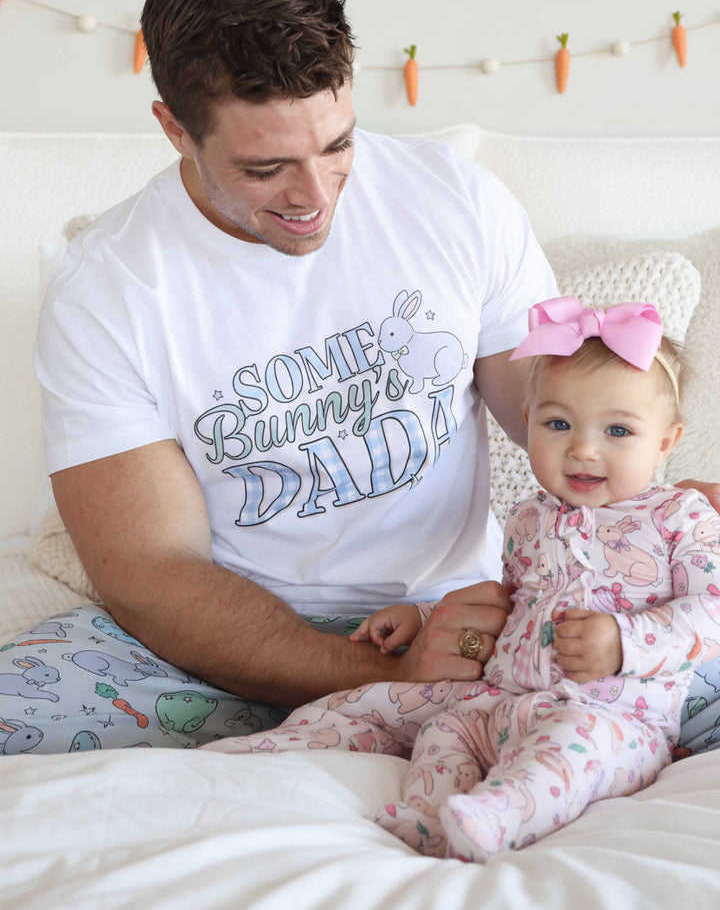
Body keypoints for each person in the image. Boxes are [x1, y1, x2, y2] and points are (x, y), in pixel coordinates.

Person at [0, 0, 553, 753]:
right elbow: (151, 575)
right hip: (234, 641)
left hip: (459, 618)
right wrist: (377, 677)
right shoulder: (109, 284)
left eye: (337, 147)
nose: (314, 197)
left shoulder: (455, 200)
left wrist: (653, 495)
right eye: (266, 168)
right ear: (173, 128)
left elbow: (553, 410)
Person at [202, 299, 720, 862]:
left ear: (665, 442)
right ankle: (421, 812)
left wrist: (626, 641)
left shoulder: (679, 517)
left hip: (615, 718)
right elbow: (509, 610)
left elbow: (710, 611)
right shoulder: (527, 518)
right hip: (502, 704)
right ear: (527, 423)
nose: (583, 449)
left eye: (618, 430)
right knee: (440, 730)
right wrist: (421, 619)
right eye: (558, 423)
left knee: (572, 747)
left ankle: (499, 815)